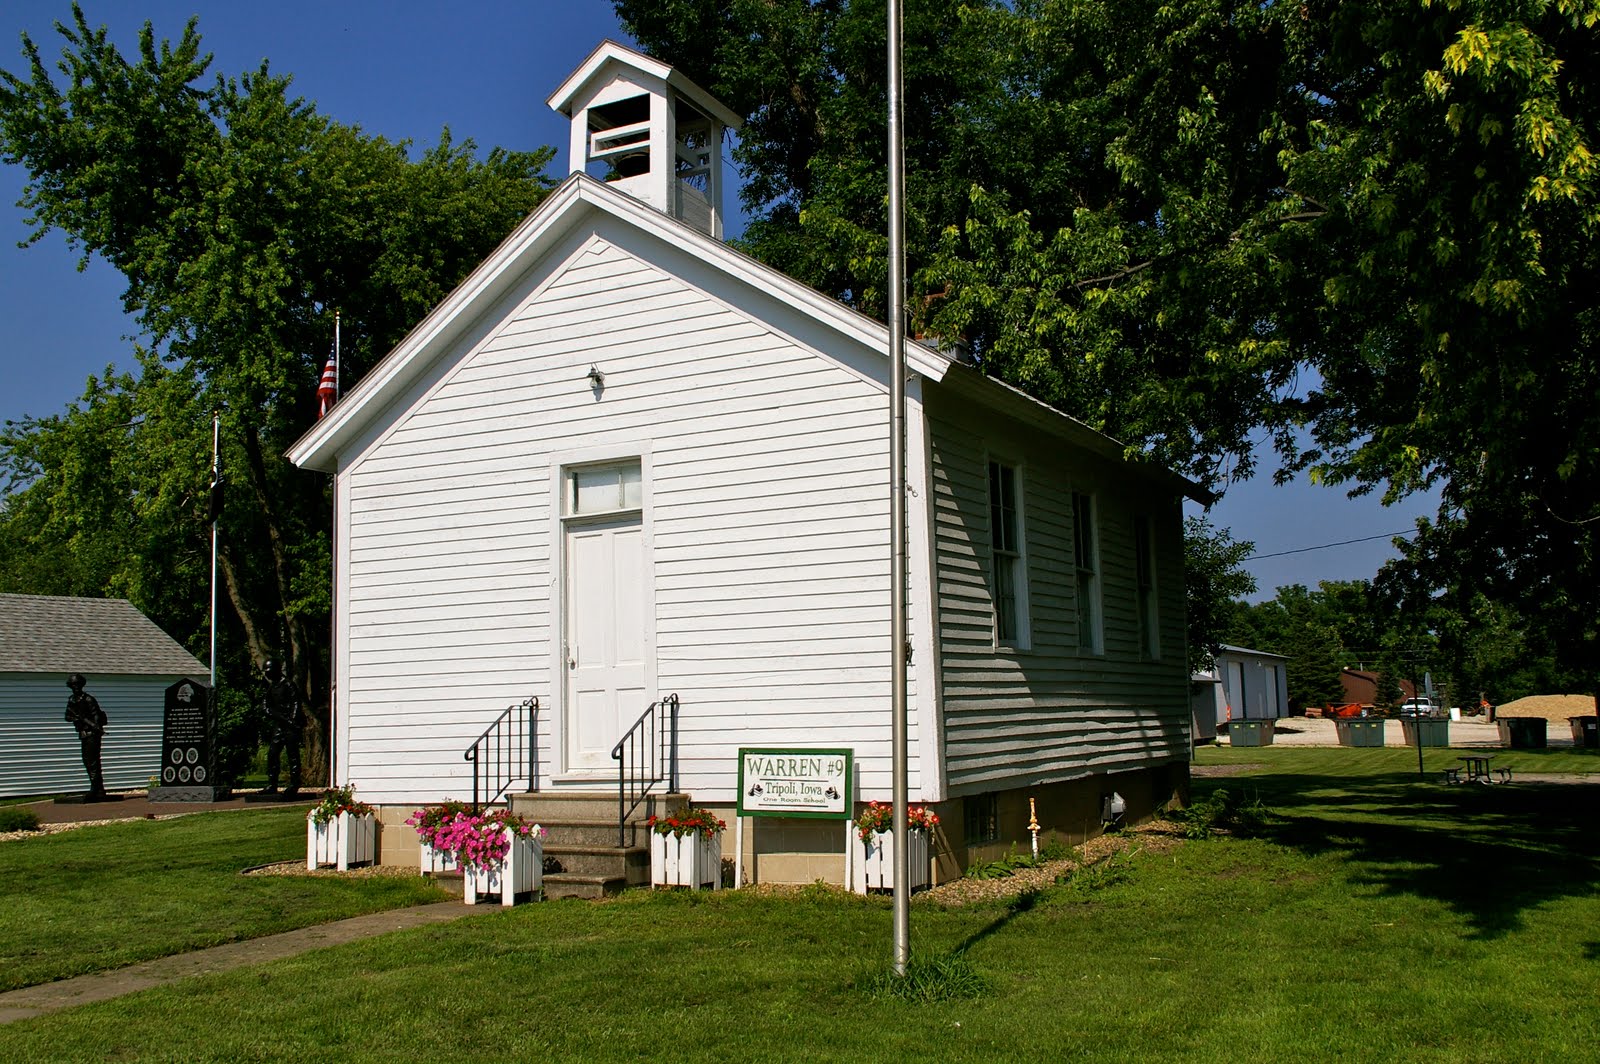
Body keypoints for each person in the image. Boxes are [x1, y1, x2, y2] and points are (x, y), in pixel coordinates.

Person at [261, 659, 302, 797]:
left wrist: (292, 720)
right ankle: (272, 784)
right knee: (272, 754)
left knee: (293, 755)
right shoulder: (272, 687)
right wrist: (273, 714)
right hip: (280, 725)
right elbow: (265, 705)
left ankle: (294, 784)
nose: (267, 674)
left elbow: (296, 703)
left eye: (269, 671)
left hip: (290, 726)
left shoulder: (288, 684)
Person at [64, 673, 108, 800]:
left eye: (77, 684)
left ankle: (96, 788)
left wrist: (94, 726)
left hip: (92, 733)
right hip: (83, 733)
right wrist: (76, 718)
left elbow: (96, 715)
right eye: (73, 685)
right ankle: (98, 788)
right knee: (87, 761)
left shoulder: (88, 699)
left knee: (92, 761)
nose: (76, 687)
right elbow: (67, 716)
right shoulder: (72, 700)